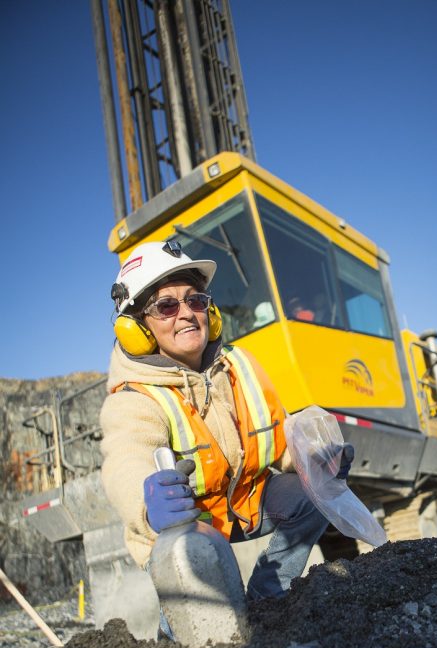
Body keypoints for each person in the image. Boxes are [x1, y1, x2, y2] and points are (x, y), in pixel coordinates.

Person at [100, 240, 353, 617]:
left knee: (310, 494)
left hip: (245, 505)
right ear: (136, 329)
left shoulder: (240, 366)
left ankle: (269, 598)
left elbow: (277, 438)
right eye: (167, 306)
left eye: (195, 300)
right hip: (185, 530)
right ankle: (178, 643)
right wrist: (146, 504)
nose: (186, 313)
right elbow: (125, 459)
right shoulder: (133, 397)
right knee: (207, 620)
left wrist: (310, 458)